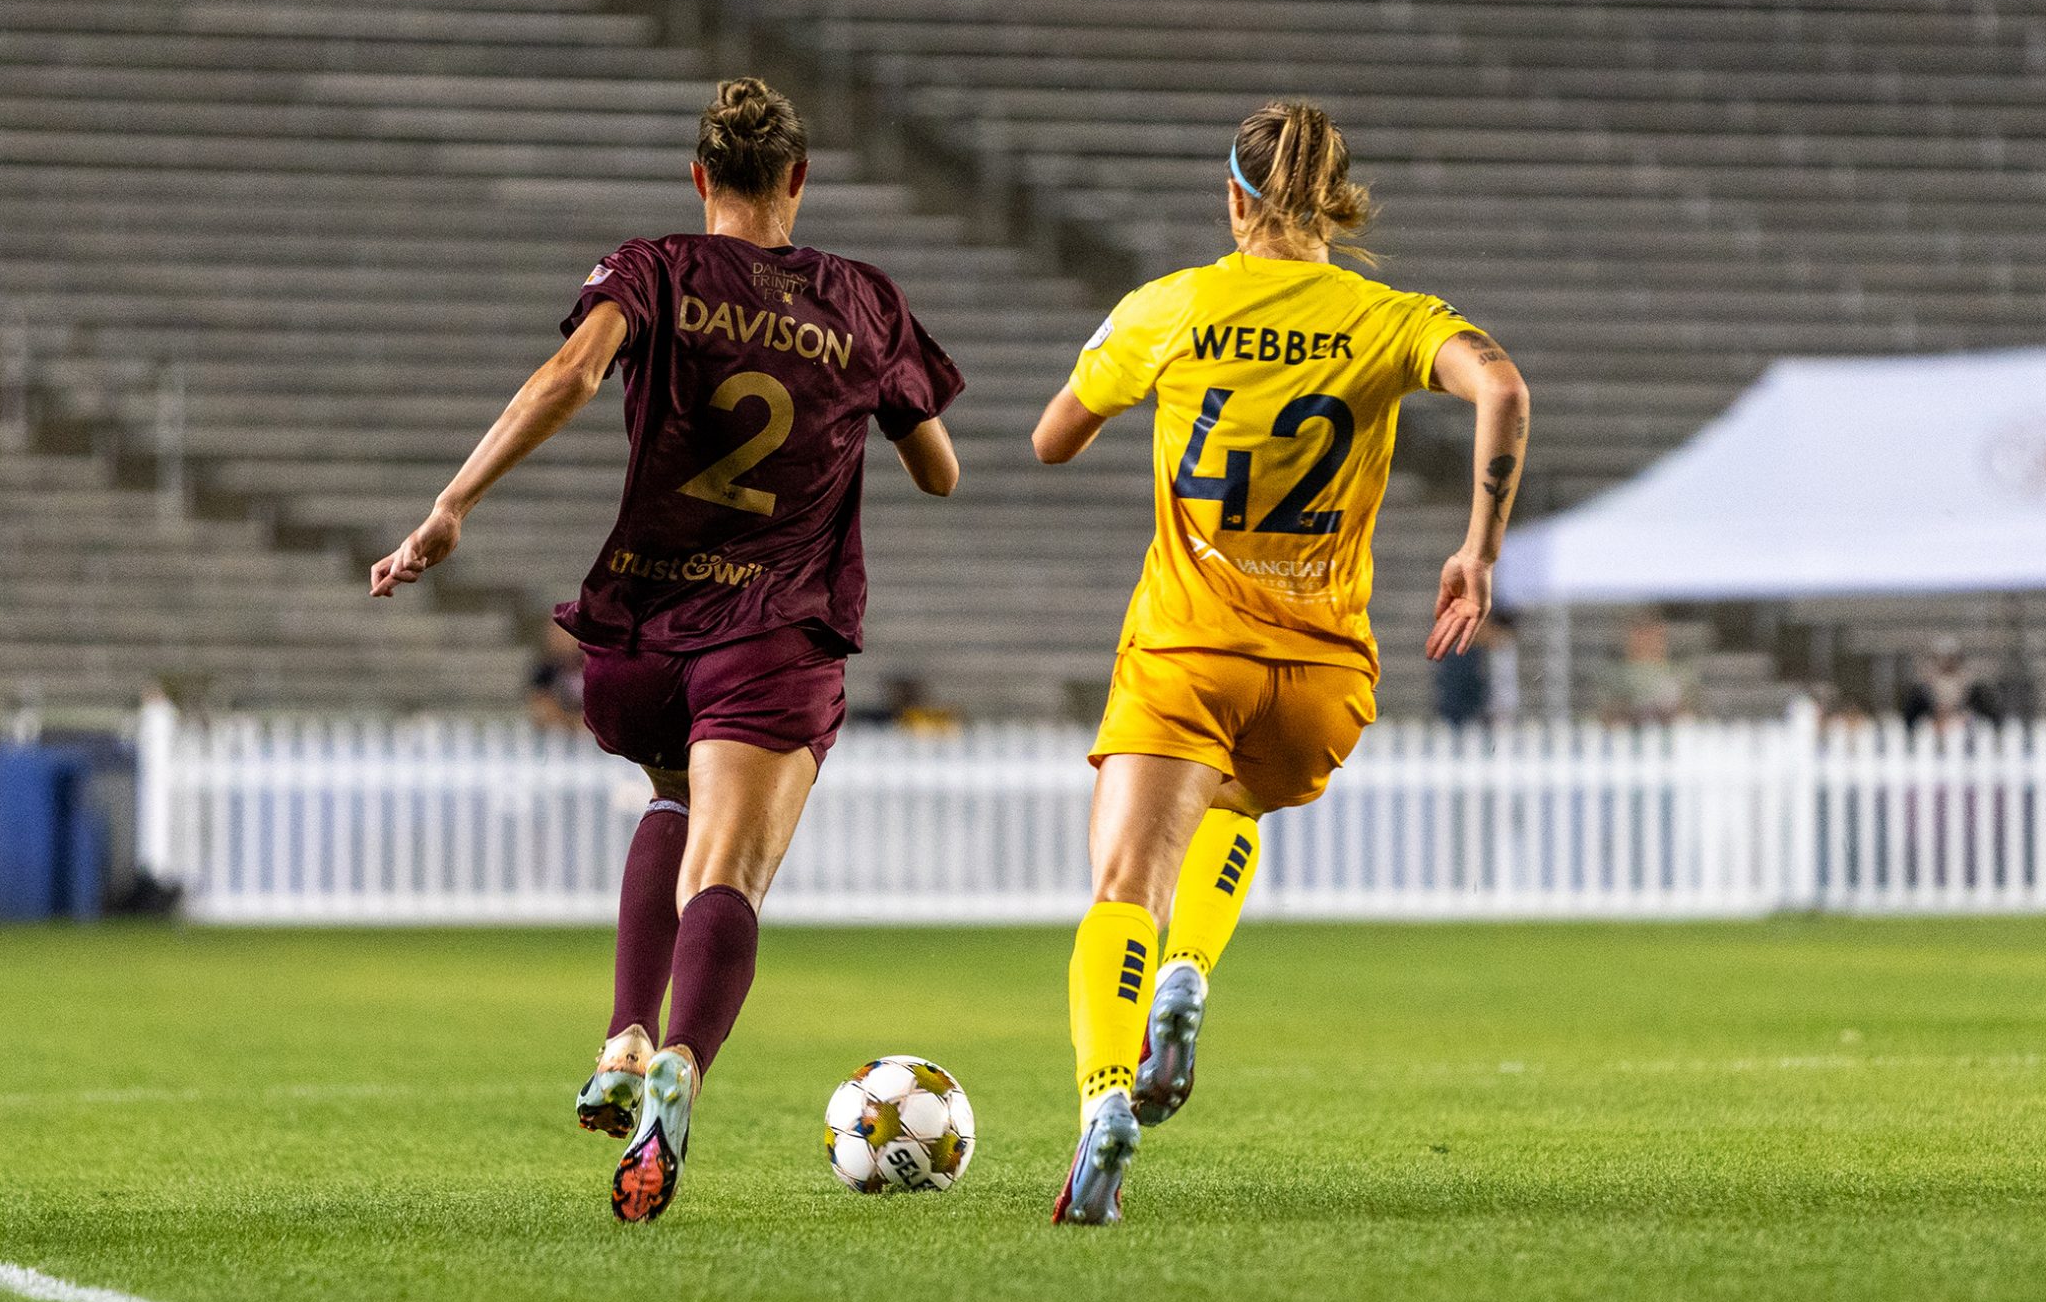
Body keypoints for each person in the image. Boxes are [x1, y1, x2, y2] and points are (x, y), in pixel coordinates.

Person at [371, 78, 964, 1223]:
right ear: (798, 180)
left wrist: (451, 506)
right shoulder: (862, 300)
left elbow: (570, 377)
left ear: (700, 180)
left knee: (670, 800)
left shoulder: (653, 267)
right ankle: (683, 1059)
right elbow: (938, 470)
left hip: (641, 636)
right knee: (728, 873)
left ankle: (624, 1033)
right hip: (772, 628)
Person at [1029, 99, 1529, 1225]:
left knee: (1122, 885)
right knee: (1236, 800)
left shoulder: (1172, 305)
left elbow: (1052, 436)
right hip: (1320, 674)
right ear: (1337, 205)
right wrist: (1475, 551)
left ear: (1232, 198)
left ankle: (1106, 1099)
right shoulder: (1385, 315)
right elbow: (1501, 386)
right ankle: (1190, 972)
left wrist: (1141, 380)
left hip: (1186, 646)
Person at [1604, 612, 1695, 725]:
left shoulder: (1681, 673)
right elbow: (1606, 714)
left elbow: (1691, 711)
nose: (1645, 642)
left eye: (1650, 635)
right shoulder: (1614, 676)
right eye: (1640, 635)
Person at [523, 618, 586, 732]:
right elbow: (542, 710)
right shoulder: (544, 671)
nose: (562, 641)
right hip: (560, 737)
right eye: (556, 635)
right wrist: (570, 721)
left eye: (566, 634)